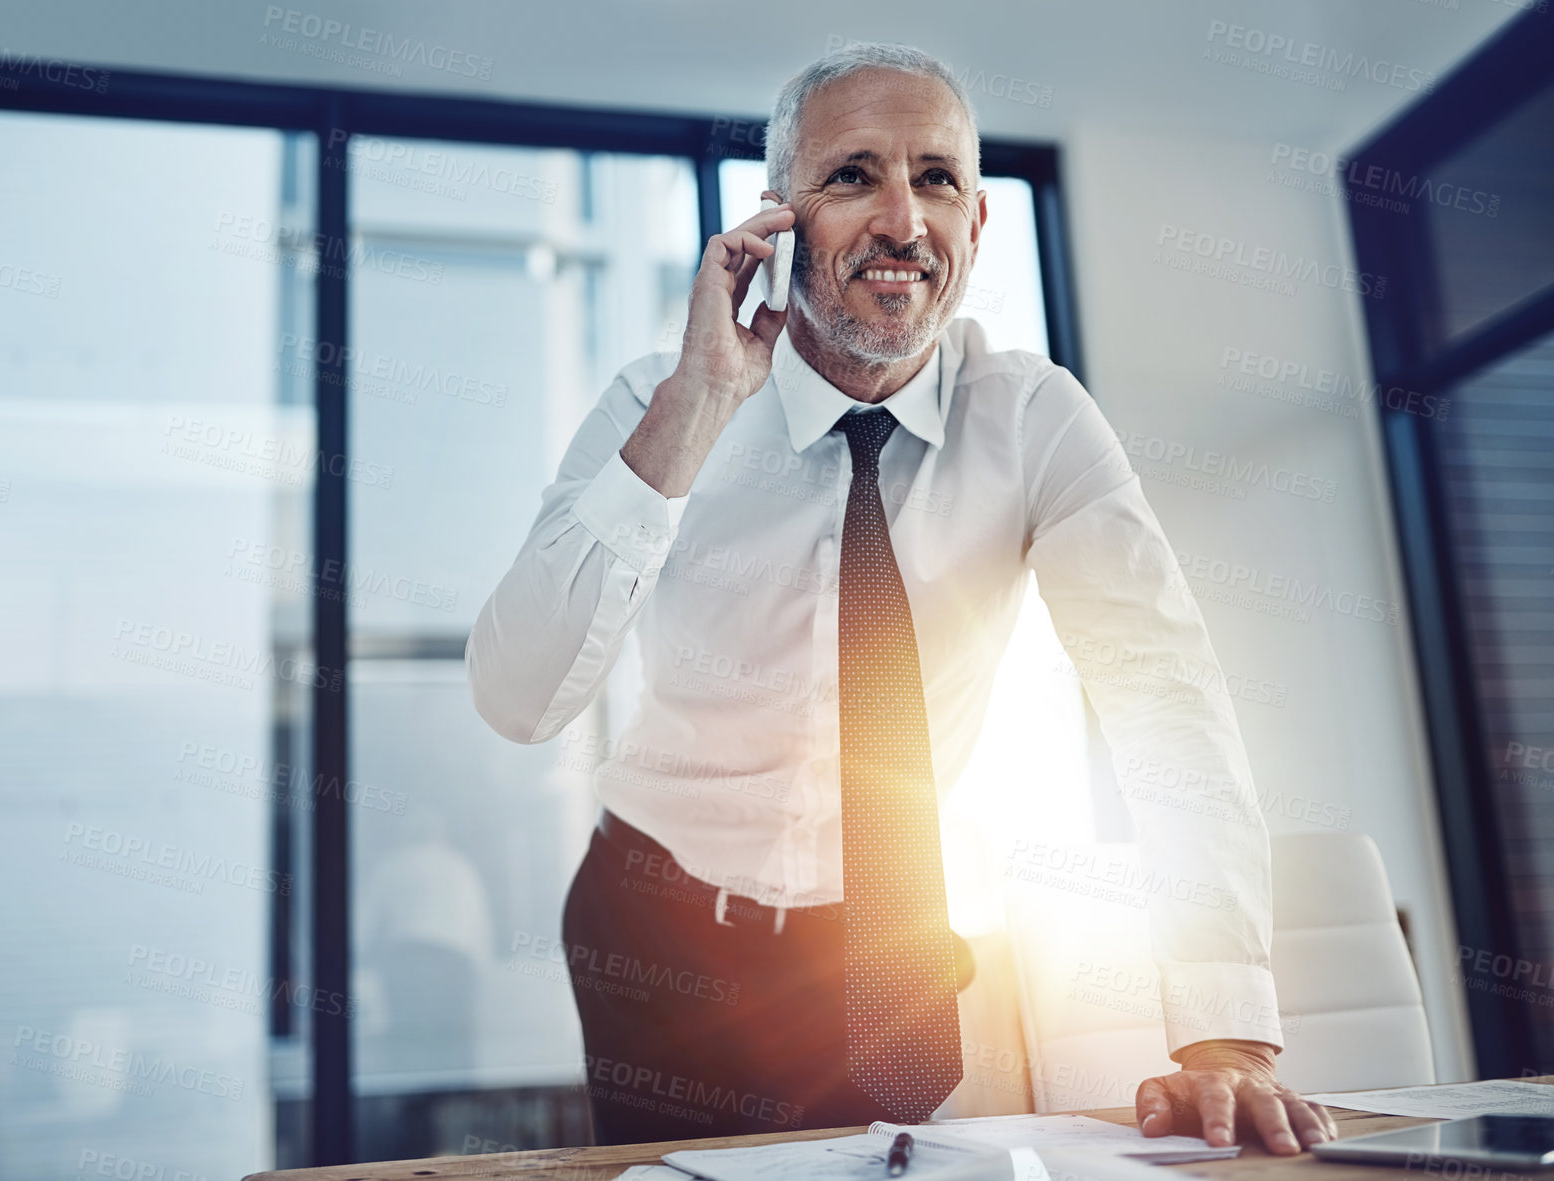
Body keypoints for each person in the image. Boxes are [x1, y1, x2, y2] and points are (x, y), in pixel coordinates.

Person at [467, 41, 1337, 1155]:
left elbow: (1162, 695)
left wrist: (1223, 1029)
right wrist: (693, 413)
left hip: (886, 932)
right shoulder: (656, 398)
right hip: (658, 920)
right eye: (852, 175)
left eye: (936, 178)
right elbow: (517, 696)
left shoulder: (1034, 419)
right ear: (777, 218)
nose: (901, 219)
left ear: (977, 226)